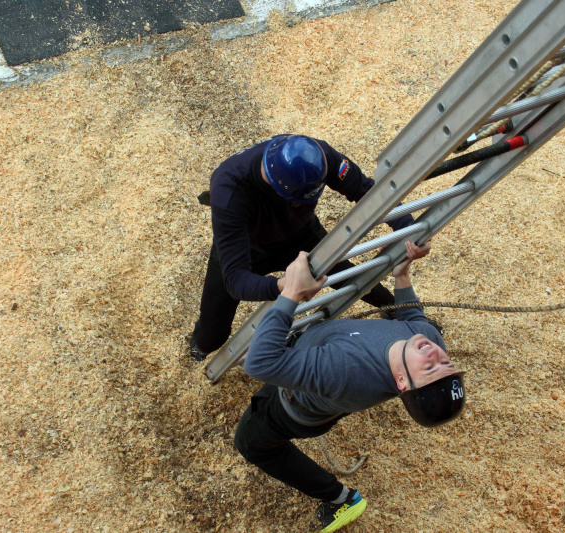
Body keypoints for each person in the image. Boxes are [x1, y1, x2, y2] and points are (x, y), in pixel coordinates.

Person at [234, 241, 466, 532]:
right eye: (447, 364)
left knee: (251, 443)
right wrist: (402, 276)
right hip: (318, 357)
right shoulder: (426, 340)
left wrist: (292, 293)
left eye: (430, 368)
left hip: (292, 409)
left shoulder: (344, 370)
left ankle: (340, 499)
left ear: (402, 382)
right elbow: (414, 318)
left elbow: (259, 363)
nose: (435, 354)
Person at [188, 134, 415, 361]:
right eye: (296, 201)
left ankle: (401, 312)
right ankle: (201, 344)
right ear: (279, 190)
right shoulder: (229, 190)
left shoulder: (318, 156)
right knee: (213, 334)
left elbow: (366, 190)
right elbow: (235, 279)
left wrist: (408, 228)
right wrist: (287, 286)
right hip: (249, 248)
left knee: (353, 278)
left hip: (301, 237)